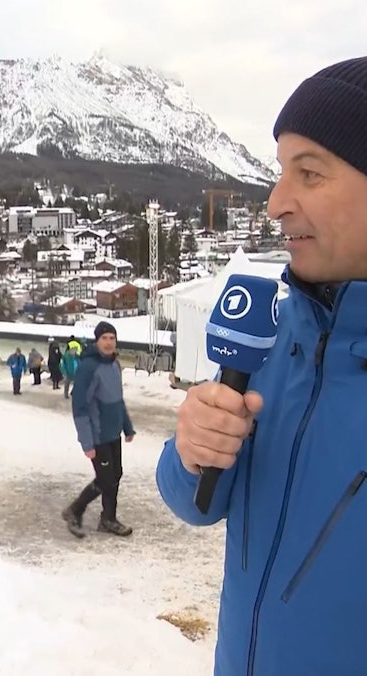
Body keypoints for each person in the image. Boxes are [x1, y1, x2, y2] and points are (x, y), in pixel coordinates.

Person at [156, 56, 367, 675]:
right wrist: (191, 450)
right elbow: (195, 503)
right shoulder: (272, 350)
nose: (276, 202)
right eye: (280, 173)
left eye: (311, 174)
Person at [63, 321, 135, 537]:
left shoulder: (114, 365)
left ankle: (108, 519)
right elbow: (80, 406)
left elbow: (117, 400)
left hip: (113, 433)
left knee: (115, 475)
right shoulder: (89, 367)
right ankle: (74, 510)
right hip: (97, 435)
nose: (109, 342)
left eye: (112, 338)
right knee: (105, 479)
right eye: (104, 338)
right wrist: (87, 442)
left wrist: (127, 427)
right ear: (97, 340)